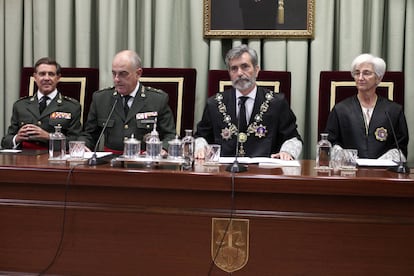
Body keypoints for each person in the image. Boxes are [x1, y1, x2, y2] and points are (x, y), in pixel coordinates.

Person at [195, 44, 302, 160]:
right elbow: (200, 137)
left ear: (256, 70)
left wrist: (287, 152)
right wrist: (200, 148)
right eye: (234, 68)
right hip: (224, 172)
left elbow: (293, 138)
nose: (239, 73)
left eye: (245, 66)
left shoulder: (277, 103)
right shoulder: (214, 104)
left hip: (265, 172)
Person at [79, 50, 176, 153]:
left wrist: (163, 149)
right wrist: (83, 146)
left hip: (144, 162)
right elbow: (89, 134)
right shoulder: (101, 99)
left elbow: (170, 135)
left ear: (138, 73)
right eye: (114, 74)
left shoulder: (157, 100)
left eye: (123, 74)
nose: (116, 79)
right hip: (109, 163)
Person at [325, 53, 409, 160]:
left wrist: (380, 163)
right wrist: (348, 159)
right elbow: (329, 143)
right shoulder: (340, 110)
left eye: (366, 73)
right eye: (357, 73)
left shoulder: (394, 111)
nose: (360, 78)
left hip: (384, 172)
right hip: (349, 172)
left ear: (378, 78)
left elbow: (400, 147)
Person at [1, 57, 82, 150]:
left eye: (51, 74)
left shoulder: (71, 107)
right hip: (25, 160)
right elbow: (5, 141)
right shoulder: (20, 105)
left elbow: (76, 143)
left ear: (58, 78)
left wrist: (49, 137)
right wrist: (17, 138)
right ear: (35, 77)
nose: (46, 78)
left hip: (55, 159)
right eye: (42, 74)